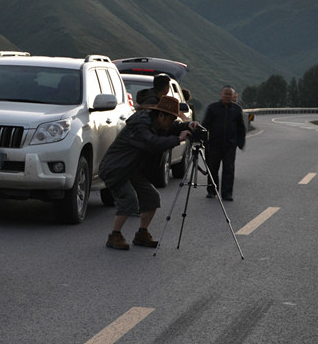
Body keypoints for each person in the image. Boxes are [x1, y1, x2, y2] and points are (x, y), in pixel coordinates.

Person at [99, 96, 199, 250]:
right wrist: (178, 139)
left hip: (132, 168)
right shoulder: (140, 126)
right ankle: (114, 235)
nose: (172, 124)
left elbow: (169, 128)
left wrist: (188, 125)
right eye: (171, 120)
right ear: (161, 116)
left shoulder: (155, 122)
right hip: (116, 168)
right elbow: (152, 143)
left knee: (151, 197)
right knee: (129, 199)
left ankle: (142, 234)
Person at [202, 85, 246, 201]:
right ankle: (212, 191)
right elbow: (205, 124)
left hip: (230, 145)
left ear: (233, 96)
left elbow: (241, 127)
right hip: (213, 144)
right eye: (225, 94)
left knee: (229, 169)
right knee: (212, 169)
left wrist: (240, 142)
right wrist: (203, 140)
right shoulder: (212, 108)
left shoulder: (236, 109)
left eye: (229, 94)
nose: (227, 96)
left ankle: (227, 194)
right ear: (221, 95)